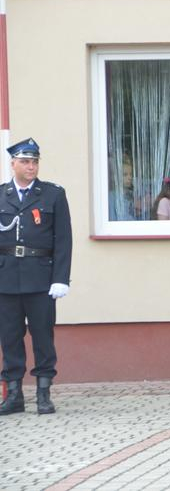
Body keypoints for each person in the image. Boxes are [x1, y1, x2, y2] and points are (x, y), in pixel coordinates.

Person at [0, 138, 72, 415]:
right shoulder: (2, 194)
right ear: (13, 164)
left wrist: (60, 278)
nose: (31, 166)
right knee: (9, 337)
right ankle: (14, 394)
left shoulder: (52, 194)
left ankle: (43, 393)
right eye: (25, 162)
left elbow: (63, 239)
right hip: (6, 278)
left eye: (34, 162)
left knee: (43, 335)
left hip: (41, 277)